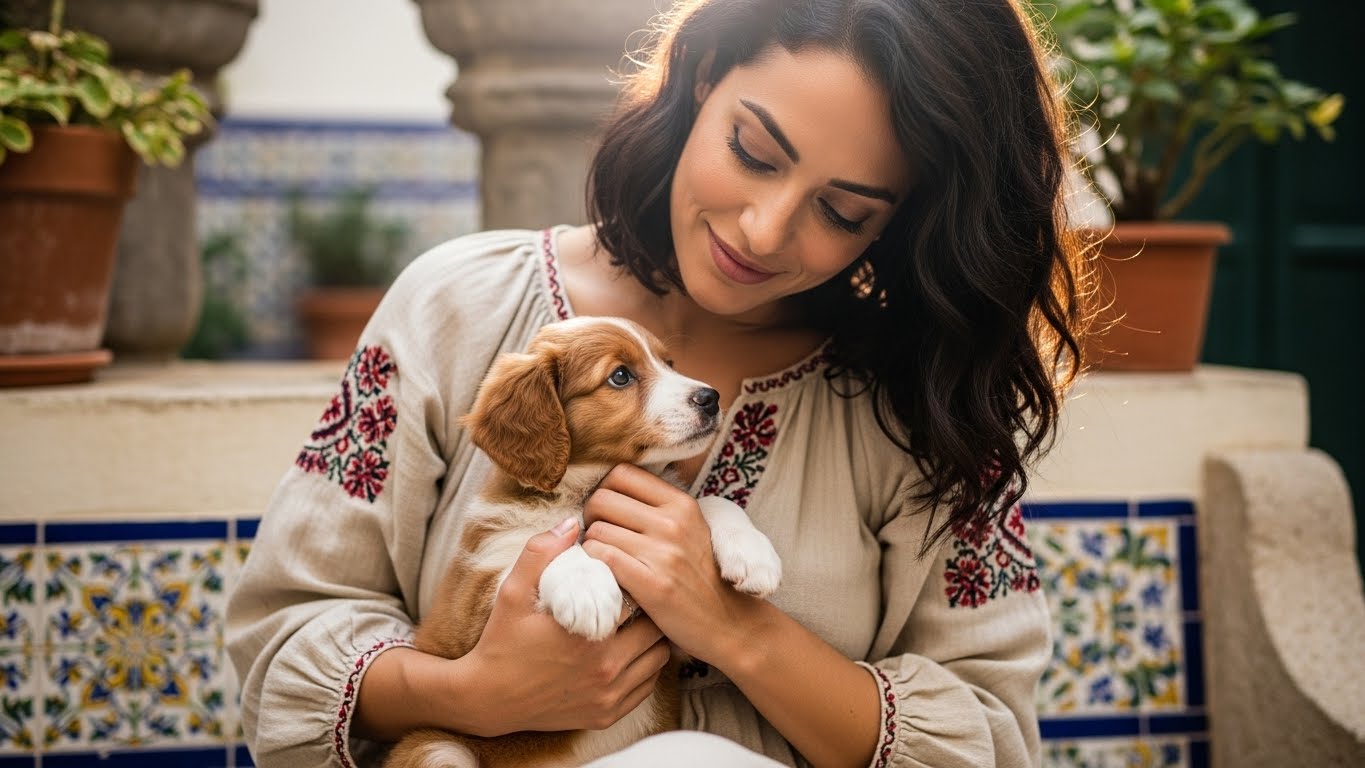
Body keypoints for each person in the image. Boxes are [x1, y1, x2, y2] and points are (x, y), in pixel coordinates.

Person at [226, 0, 1089, 765]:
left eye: (842, 212)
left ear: (903, 221)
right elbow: (283, 635)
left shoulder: (921, 400)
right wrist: (473, 696)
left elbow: (991, 733)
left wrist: (730, 626)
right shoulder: (457, 307)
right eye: (752, 152)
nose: (762, 229)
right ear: (703, 76)